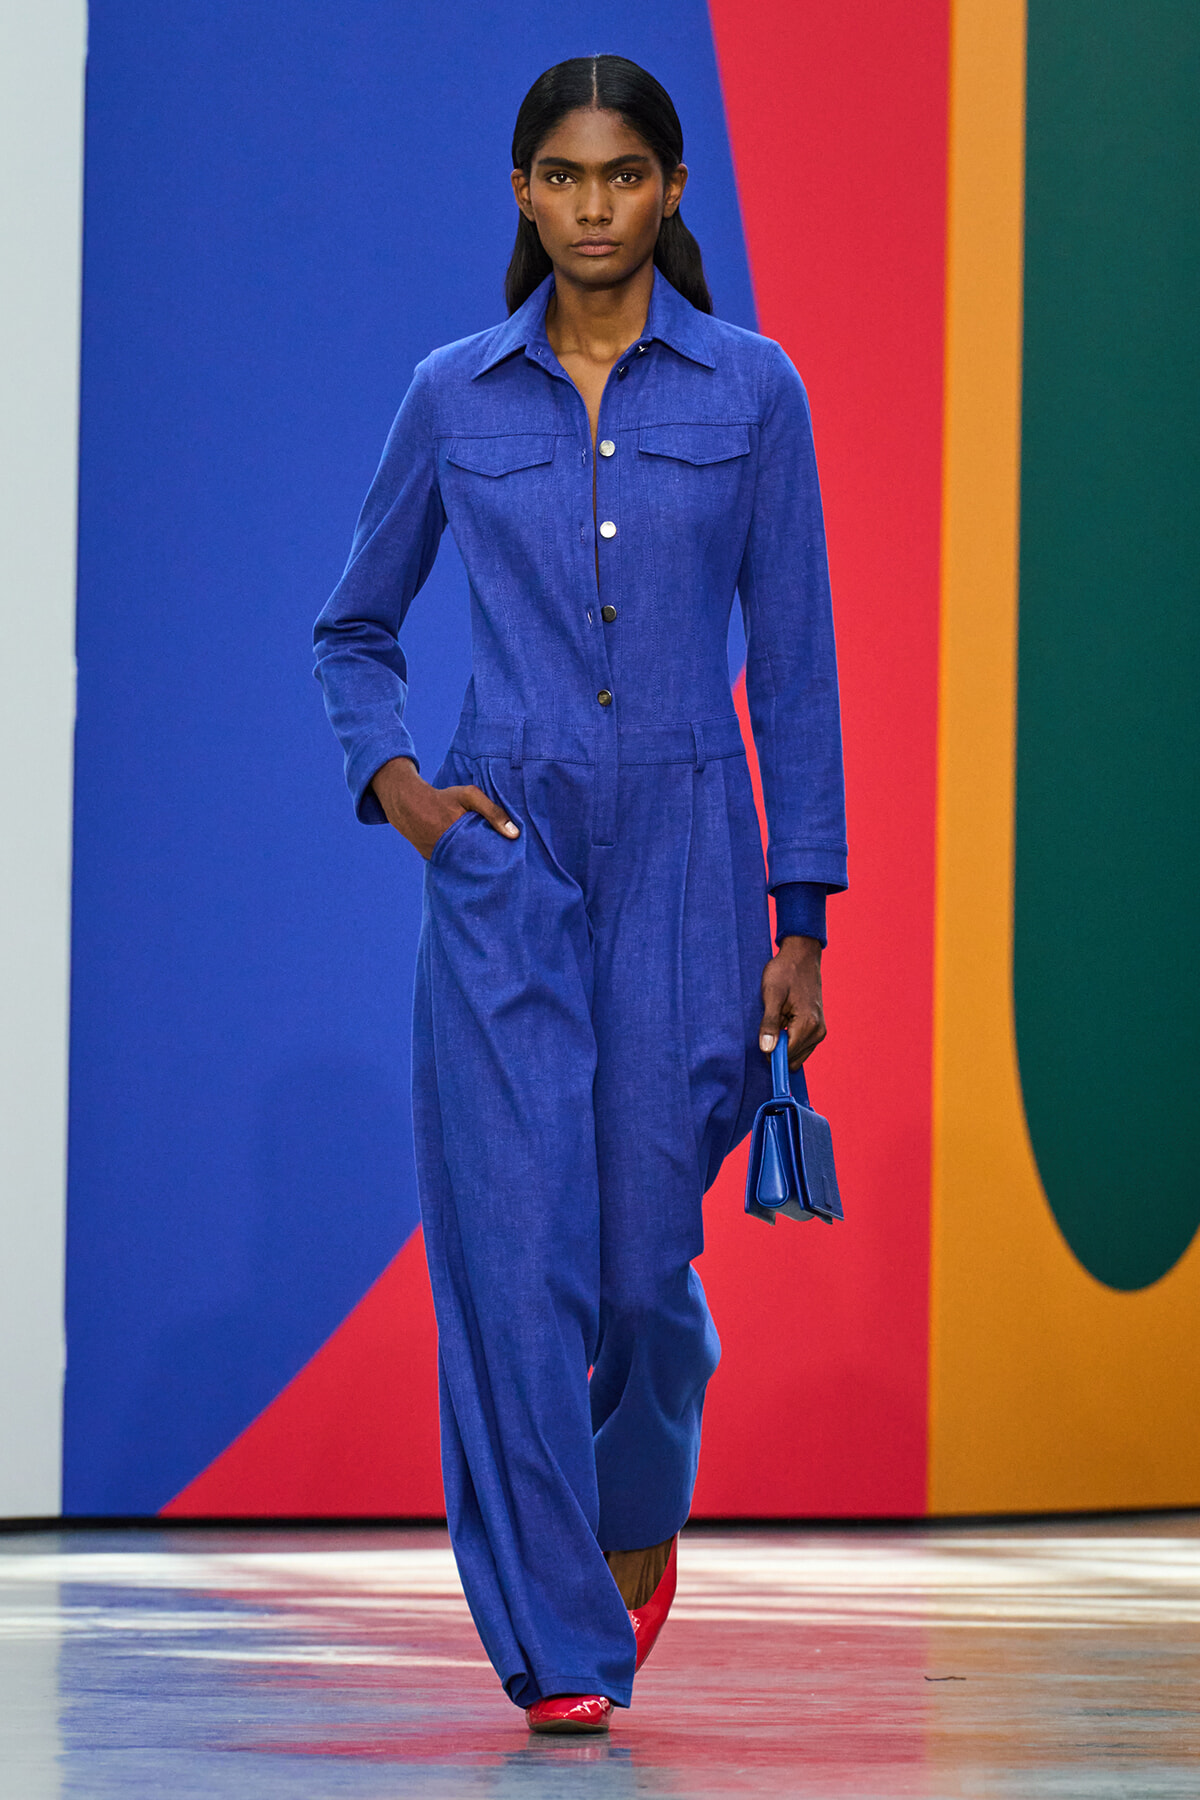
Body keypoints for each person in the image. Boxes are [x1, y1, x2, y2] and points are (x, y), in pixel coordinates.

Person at [314, 54, 845, 1734]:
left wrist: (801, 915)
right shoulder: (453, 394)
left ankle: (633, 1509)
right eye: (563, 175)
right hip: (508, 857)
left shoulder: (754, 393)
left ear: (673, 192)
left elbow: (802, 674)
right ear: (524, 194)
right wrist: (407, 797)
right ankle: (560, 1647)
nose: (593, 205)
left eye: (625, 176)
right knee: (513, 1265)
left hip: (693, 854)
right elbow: (355, 626)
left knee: (637, 1276)